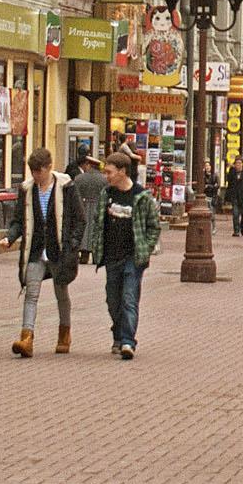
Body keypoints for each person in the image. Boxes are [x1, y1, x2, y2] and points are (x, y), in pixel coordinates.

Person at [6, 148, 83, 359]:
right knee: (31, 294)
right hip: (35, 249)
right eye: (32, 171)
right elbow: (18, 221)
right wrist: (10, 237)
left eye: (38, 171)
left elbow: (79, 219)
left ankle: (64, 334)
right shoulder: (27, 190)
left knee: (61, 293)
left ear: (49, 167)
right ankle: (27, 338)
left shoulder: (66, 187)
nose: (35, 176)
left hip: (59, 250)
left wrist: (72, 245)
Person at [84, 152, 160, 360]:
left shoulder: (141, 196)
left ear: (122, 171)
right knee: (112, 299)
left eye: (109, 172)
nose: (106, 176)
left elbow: (154, 226)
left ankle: (128, 341)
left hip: (133, 257)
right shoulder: (106, 194)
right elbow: (99, 223)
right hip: (111, 256)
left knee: (129, 298)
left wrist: (146, 246)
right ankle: (118, 334)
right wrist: (96, 247)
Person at [225, 155, 243, 236]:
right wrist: (229, 196)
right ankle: (236, 231)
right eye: (236, 163)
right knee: (235, 214)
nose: (238, 165)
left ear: (242, 164)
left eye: (240, 163)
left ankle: (242, 226)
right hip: (235, 196)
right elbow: (229, 184)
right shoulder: (232, 172)